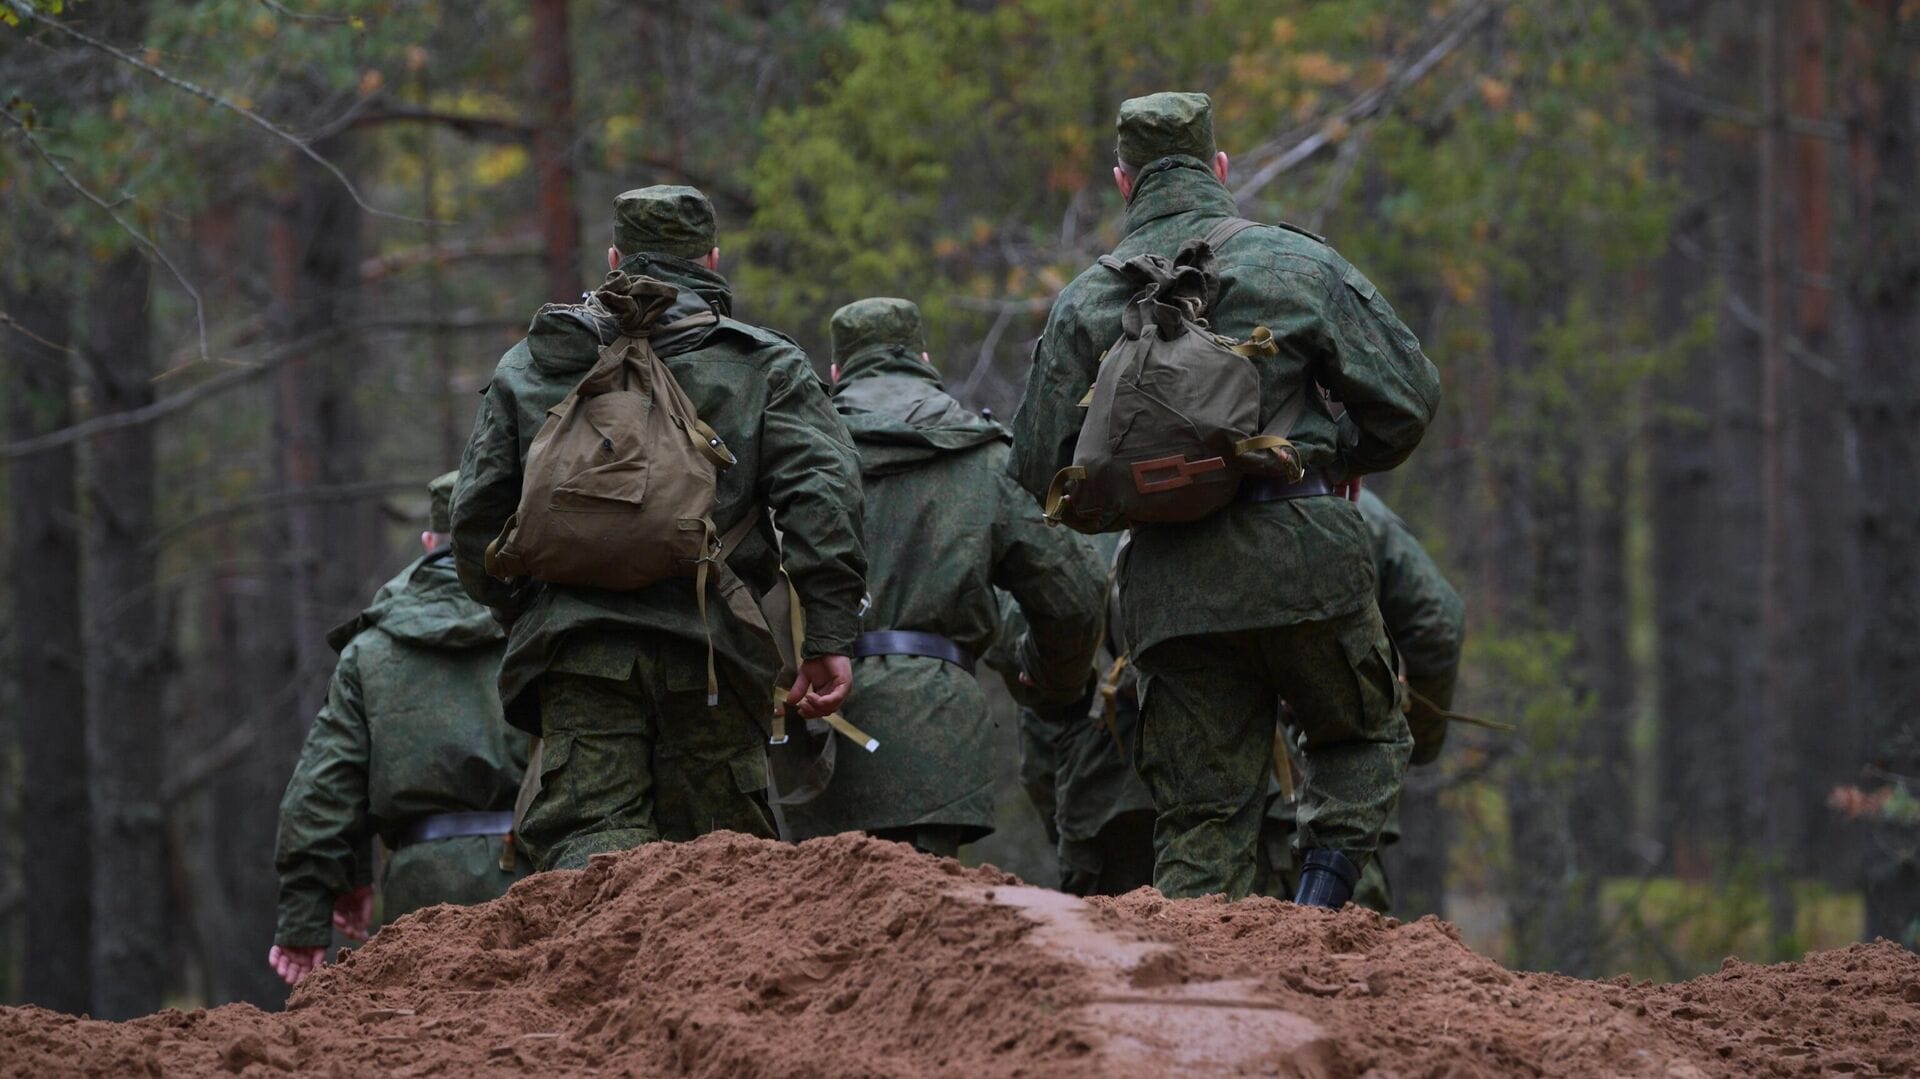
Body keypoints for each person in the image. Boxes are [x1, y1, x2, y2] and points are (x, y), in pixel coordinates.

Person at [1008, 92, 1441, 907]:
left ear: (1122, 180)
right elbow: (1411, 397)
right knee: (1362, 735)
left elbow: (1038, 467)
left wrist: (1136, 496)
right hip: (1307, 554)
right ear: (1219, 168)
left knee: (1201, 816)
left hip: (1172, 589)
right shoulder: (1297, 264)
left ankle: (1195, 995)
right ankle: (1320, 908)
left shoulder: (1085, 302)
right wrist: (1343, 457)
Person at [451, 186, 867, 871]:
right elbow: (825, 501)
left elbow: (476, 521)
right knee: (719, 869)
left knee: (592, 862)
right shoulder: (761, 365)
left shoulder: (537, 364)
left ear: (614, 257)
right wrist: (825, 633)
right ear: (711, 258)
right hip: (713, 651)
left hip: (580, 652)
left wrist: (533, 613)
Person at [783, 298, 1103, 857]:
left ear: (836, 373)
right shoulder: (984, 455)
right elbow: (1075, 594)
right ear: (925, 359)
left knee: (823, 927)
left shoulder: (797, 453)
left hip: (816, 725)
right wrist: (1052, 685)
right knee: (926, 929)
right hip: (939, 732)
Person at [268, 472, 529, 988]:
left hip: (419, 893)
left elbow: (322, 791)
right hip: (540, 887)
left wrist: (311, 911)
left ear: (429, 542)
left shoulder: (371, 650)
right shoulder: (542, 627)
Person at [1261, 487, 1466, 911]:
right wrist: (1415, 743)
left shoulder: (1146, 497)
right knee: (1342, 950)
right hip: (1332, 783)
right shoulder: (1355, 508)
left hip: (1182, 795)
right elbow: (1437, 623)